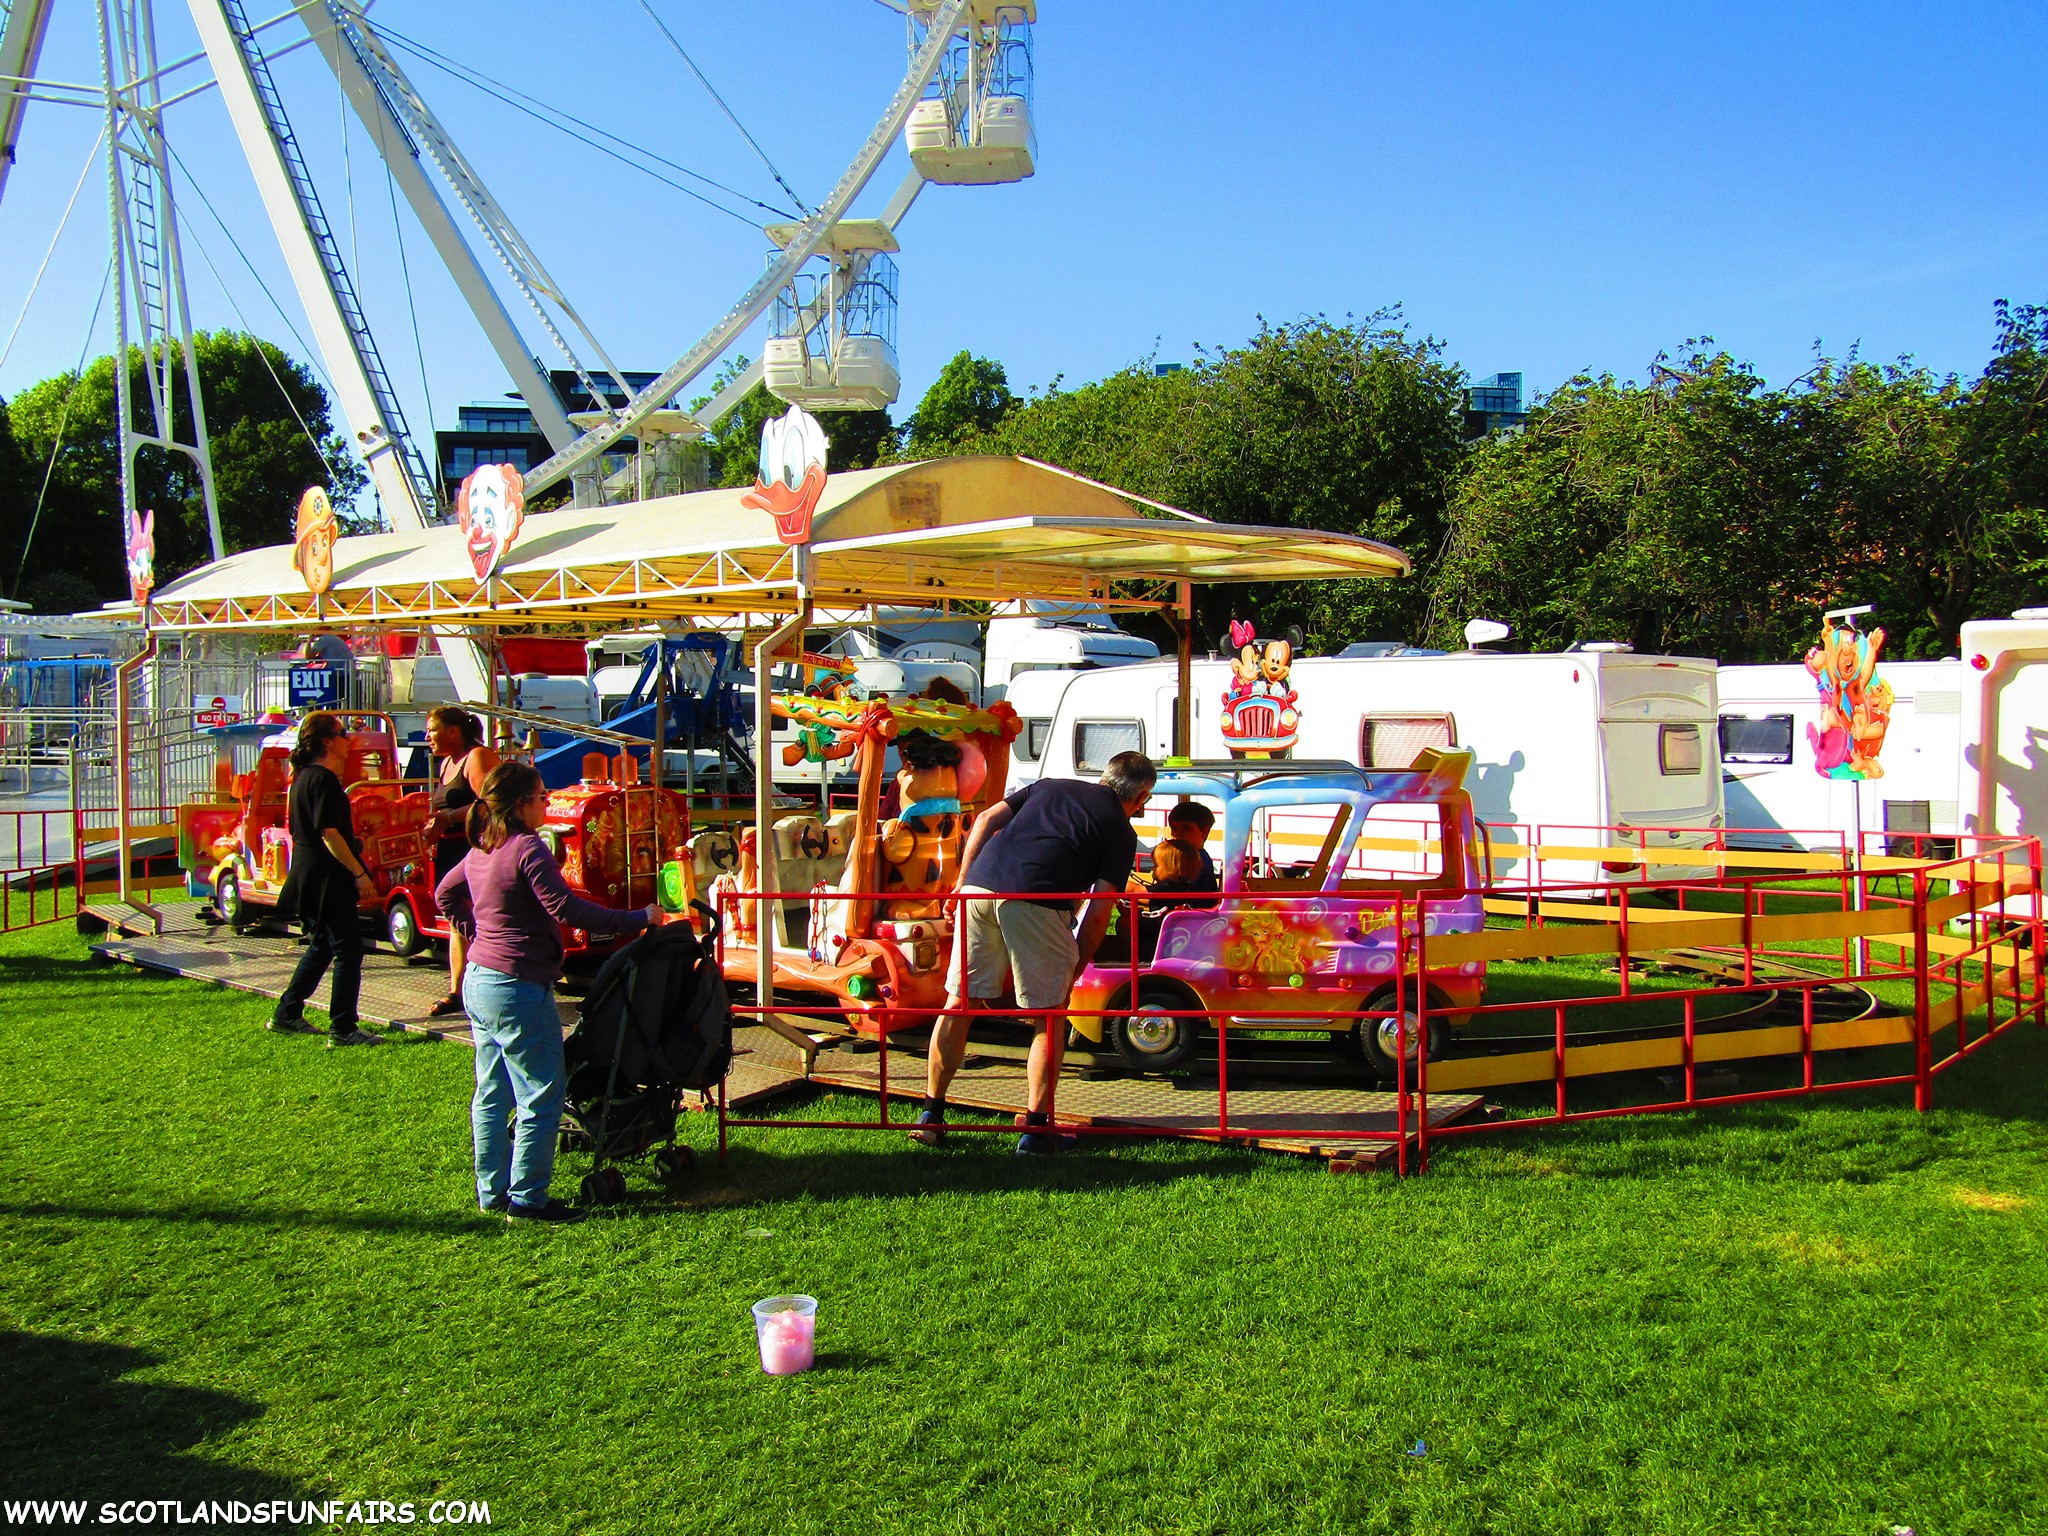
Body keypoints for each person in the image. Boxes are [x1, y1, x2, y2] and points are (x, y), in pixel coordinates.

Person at [435, 762, 669, 1225]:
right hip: (516, 986)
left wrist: (479, 934)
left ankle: (492, 1192)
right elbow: (566, 908)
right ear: (522, 804)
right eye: (543, 796)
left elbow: (444, 894)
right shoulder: (527, 847)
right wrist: (638, 918)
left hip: (479, 979)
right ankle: (528, 1199)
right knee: (542, 1092)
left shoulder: (484, 845)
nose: (547, 803)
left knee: (492, 1092)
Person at [914, 750, 1156, 1155]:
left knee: (959, 1004)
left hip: (979, 888)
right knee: (1049, 1017)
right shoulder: (1120, 829)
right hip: (1037, 900)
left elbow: (986, 820)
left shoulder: (1049, 786)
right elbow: (1100, 910)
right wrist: (1075, 968)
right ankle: (1036, 1130)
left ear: (1106, 776)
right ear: (1142, 795)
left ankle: (930, 1115)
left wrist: (962, 882)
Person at [270, 712, 383, 1047]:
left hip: (311, 871)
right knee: (348, 950)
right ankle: (343, 1028)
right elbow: (329, 833)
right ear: (327, 741)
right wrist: (359, 873)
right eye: (342, 734)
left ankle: (287, 1013)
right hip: (327, 876)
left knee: (322, 945)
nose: (348, 740)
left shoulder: (303, 777)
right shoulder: (323, 779)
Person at [423, 706, 500, 1018]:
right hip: (449, 849)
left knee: (474, 916)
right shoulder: (446, 762)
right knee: (456, 918)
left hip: (474, 848)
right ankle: (457, 990)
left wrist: (449, 817)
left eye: (432, 729)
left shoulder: (477, 757)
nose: (427, 737)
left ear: (453, 731)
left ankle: (485, 980)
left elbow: (491, 803)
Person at [1149, 801, 1219, 903]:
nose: (1178, 833)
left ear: (1204, 832)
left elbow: (1168, 892)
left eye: (1186, 828)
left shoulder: (1196, 861)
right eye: (1174, 828)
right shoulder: (1192, 858)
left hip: (1192, 911)